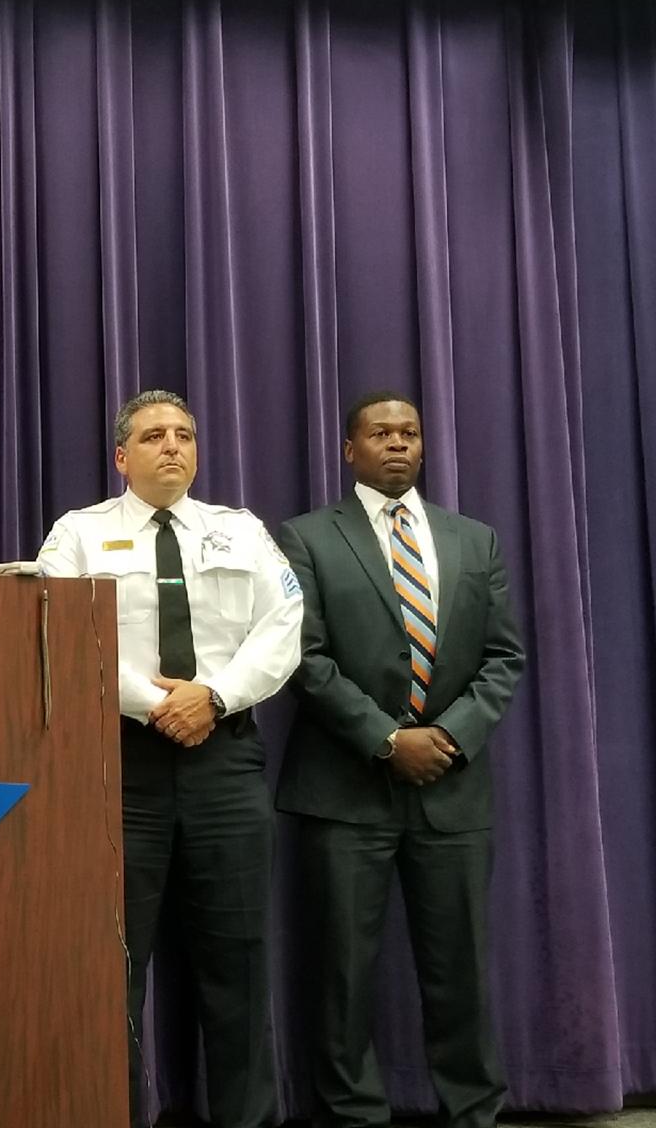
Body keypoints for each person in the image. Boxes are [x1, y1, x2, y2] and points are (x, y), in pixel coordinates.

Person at [36, 390, 301, 1128]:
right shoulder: (79, 535)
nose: (173, 447)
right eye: (154, 436)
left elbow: (282, 627)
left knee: (238, 965)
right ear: (122, 456)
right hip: (122, 767)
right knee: (111, 968)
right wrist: (150, 704)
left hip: (225, 763)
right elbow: (62, 627)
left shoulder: (240, 532)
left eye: (184, 434)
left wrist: (212, 696)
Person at [277, 392, 525, 1128]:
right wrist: (388, 740)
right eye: (379, 432)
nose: (397, 443)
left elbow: (503, 658)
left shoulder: (474, 541)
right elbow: (305, 656)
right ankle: (353, 1115)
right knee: (343, 976)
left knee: (462, 971)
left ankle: (474, 1111)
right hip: (344, 790)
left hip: (452, 786)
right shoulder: (304, 539)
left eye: (409, 433)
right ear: (349, 449)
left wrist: (445, 738)